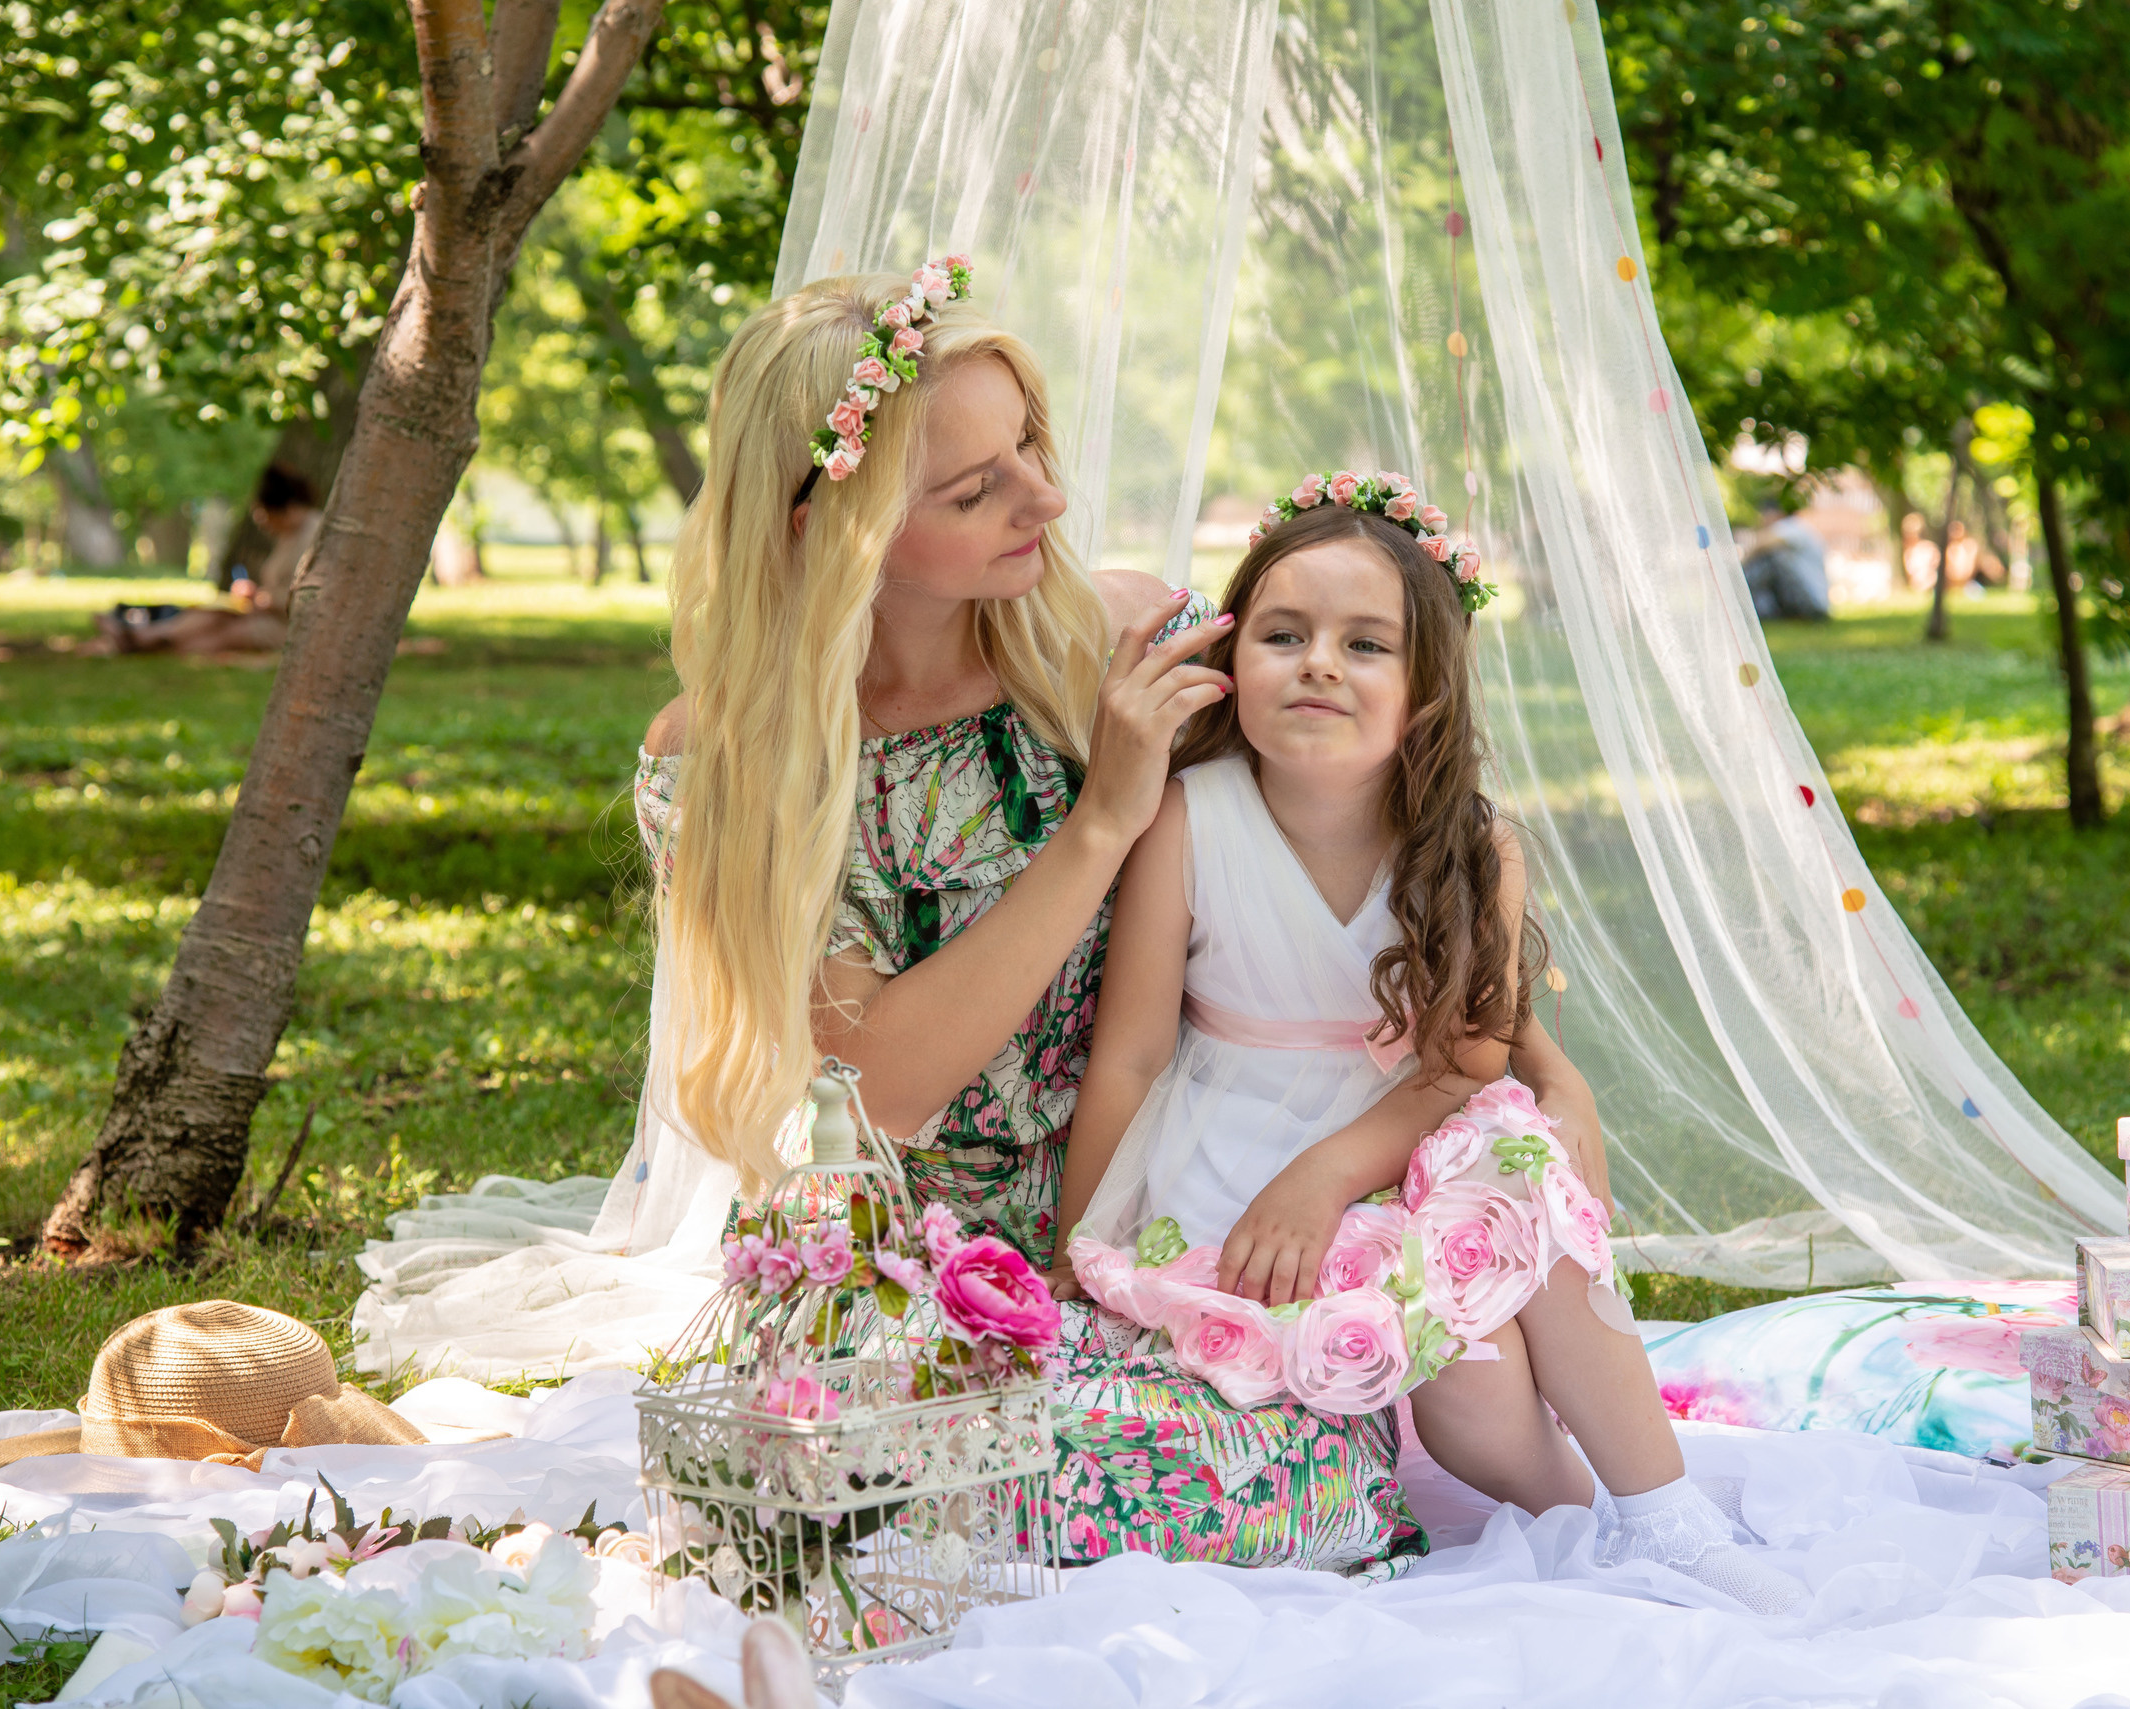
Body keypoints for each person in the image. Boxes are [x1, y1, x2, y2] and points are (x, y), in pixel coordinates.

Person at [639, 261, 1606, 1576]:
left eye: (1029, 440)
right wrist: (1100, 822)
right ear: (837, 523)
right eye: (976, 487)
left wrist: (1549, 1118)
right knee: (851, 1511)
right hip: (925, 1258)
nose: (1046, 495)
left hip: (1175, 1220)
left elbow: (1401, 857)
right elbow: (893, 1084)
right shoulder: (735, 763)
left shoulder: (1124, 637)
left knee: (1185, 1492)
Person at [1055, 478, 1805, 1614]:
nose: (1318, 663)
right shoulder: (1184, 816)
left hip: (1409, 1131)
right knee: (1474, 1412)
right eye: (1282, 634)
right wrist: (1078, 1244)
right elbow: (1130, 1056)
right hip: (1234, 1148)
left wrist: (1331, 1170)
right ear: (1230, 656)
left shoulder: (1471, 843)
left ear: (1423, 693)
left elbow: (1467, 1062)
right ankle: (1576, 1523)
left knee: (1512, 1181)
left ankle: (1666, 1517)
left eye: (1365, 644)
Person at [93, 466, 319, 656]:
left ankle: (143, 642)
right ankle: (148, 636)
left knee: (229, 632)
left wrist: (262, 600)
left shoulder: (313, 536)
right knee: (210, 614)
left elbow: (305, 597)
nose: (263, 524)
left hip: (286, 626)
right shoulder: (289, 536)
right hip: (269, 613)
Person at [1739, 505, 1830, 621]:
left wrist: (1740, 567)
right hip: (1808, 601)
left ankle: (1736, 596)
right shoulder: (1799, 527)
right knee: (1766, 563)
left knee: (1771, 558)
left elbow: (1762, 544)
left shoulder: (1791, 526)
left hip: (1811, 603)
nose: (1762, 520)